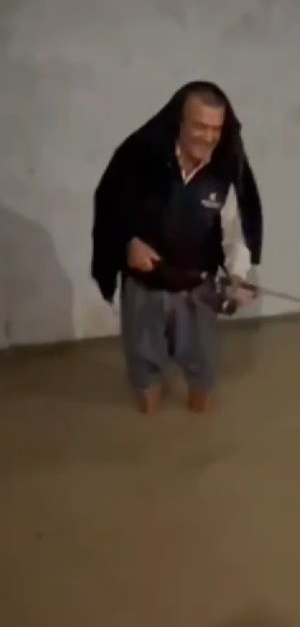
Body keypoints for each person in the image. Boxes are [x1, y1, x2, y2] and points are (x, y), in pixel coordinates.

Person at [92, 81, 263, 414]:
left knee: (203, 373)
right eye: (199, 126)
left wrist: (237, 276)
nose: (208, 137)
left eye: (215, 129)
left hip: (197, 288)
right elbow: (110, 207)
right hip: (144, 286)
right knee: (145, 377)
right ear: (179, 122)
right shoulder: (140, 158)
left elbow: (236, 233)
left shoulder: (226, 171)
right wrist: (129, 243)